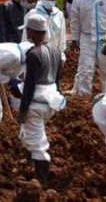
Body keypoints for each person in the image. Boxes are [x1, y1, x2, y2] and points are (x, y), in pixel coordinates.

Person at [16, 14, 66, 190]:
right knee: (30, 133)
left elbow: (29, 85)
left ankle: (41, 181)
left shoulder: (34, 54)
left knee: (38, 142)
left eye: (28, 30)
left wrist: (22, 110)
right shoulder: (56, 51)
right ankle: (31, 166)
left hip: (36, 101)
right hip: (50, 98)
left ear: (33, 31)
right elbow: (58, 79)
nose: (27, 34)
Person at [22, 0, 67, 87]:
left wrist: (62, 56)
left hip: (53, 55)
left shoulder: (59, 15)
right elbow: (26, 37)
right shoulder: (33, 14)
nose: (49, 1)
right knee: (35, 83)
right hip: (36, 55)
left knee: (52, 84)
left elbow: (61, 38)